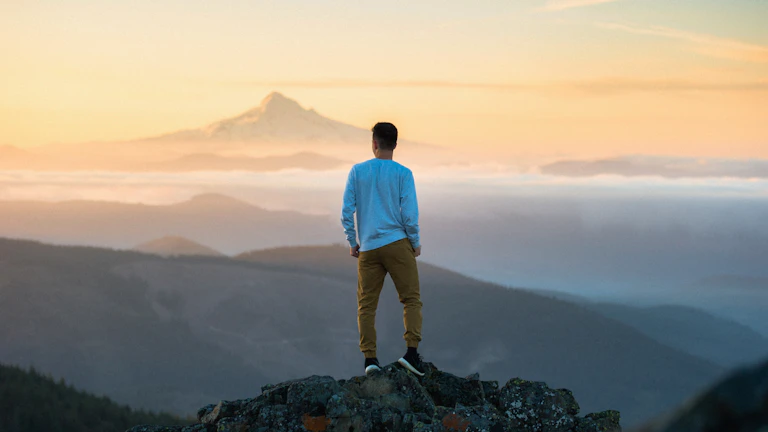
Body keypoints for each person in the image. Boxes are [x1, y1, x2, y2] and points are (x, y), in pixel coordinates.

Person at [341, 122, 425, 376]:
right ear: (395, 144)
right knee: (411, 299)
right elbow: (409, 215)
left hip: (368, 247)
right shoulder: (403, 173)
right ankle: (411, 354)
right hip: (397, 243)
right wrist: (415, 242)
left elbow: (346, 211)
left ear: (374, 143)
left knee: (366, 305)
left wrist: (352, 241)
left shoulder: (358, 171)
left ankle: (370, 360)